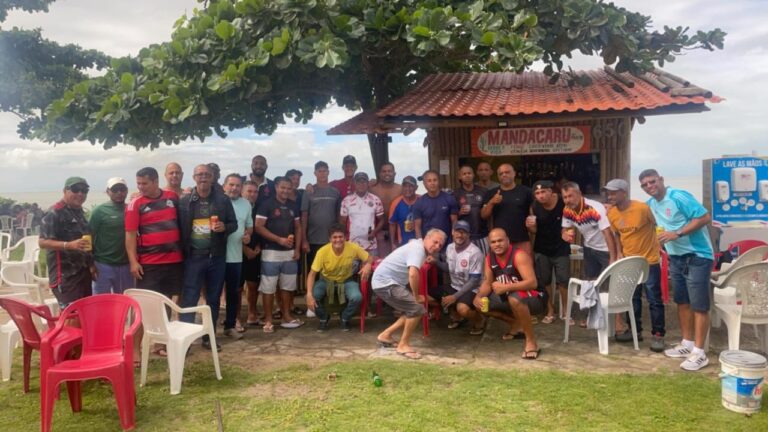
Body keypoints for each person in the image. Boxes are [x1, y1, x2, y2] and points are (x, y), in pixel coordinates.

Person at [639, 169, 714, 371]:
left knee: (699, 305)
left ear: (661, 180)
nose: (649, 186)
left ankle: (699, 353)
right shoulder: (650, 205)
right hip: (676, 257)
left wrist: (677, 233)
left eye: (652, 181)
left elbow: (704, 217)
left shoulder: (678, 196)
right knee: (682, 301)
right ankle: (687, 343)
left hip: (698, 255)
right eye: (644, 185)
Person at [178, 164, 237, 352]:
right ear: (194, 177)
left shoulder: (222, 200)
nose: (203, 177)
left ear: (212, 178)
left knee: (213, 299)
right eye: (200, 174)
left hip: (216, 257)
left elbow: (233, 224)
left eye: (207, 174)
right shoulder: (185, 201)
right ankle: (185, 340)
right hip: (193, 257)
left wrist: (224, 227)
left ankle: (208, 337)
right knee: (189, 299)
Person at [603, 178, 666, 352]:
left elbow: (657, 226)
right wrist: (619, 253)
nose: (610, 195)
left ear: (624, 192)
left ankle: (658, 335)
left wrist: (659, 246)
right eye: (609, 192)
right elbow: (617, 235)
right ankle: (635, 331)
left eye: (614, 192)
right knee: (632, 299)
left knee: (654, 299)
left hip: (650, 261)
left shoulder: (642, 208)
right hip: (629, 262)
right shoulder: (612, 213)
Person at [372, 228, 446, 360]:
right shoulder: (417, 249)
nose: (436, 247)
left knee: (412, 309)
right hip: (385, 284)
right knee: (417, 309)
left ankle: (385, 335)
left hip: (388, 283)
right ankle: (403, 345)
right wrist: (416, 296)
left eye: (440, 245)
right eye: (435, 242)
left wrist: (415, 296)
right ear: (426, 238)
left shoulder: (419, 248)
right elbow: (413, 274)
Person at [475, 228, 543, 360]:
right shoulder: (489, 258)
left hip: (535, 297)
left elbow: (532, 283)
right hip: (508, 295)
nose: (497, 244)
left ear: (507, 241)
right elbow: (488, 283)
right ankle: (515, 323)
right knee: (480, 305)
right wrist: (478, 296)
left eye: (500, 240)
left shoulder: (519, 255)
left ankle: (531, 342)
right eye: (493, 242)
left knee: (515, 299)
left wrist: (506, 287)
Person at [254, 176, 303, 332]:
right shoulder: (266, 204)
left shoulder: (293, 206)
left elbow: (298, 228)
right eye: (283, 187)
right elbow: (259, 227)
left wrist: (297, 249)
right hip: (270, 252)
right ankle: (268, 319)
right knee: (268, 288)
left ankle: (286, 316)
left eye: (288, 188)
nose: (286, 191)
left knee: (288, 287)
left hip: (289, 253)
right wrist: (278, 240)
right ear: (276, 187)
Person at [38, 177, 95, 308]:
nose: (80, 194)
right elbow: (42, 242)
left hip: (82, 273)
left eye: (84, 190)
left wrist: (91, 264)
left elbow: (84, 241)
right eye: (75, 190)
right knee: (72, 315)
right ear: (65, 191)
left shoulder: (79, 212)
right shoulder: (54, 212)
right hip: (65, 276)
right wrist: (68, 245)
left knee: (85, 312)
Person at [305, 223, 373, 331]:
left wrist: (368, 265)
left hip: (346, 280)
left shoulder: (353, 247)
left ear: (345, 237)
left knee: (357, 297)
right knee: (313, 295)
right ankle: (323, 318)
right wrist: (308, 294)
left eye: (340, 237)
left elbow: (369, 258)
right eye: (334, 237)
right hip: (326, 281)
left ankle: (345, 318)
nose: (338, 240)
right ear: (330, 239)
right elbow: (312, 274)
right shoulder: (322, 251)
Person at [526, 180, 571, 325]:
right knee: (545, 282)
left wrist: (570, 232)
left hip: (561, 248)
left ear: (551, 191)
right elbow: (535, 231)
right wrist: (530, 227)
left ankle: (565, 311)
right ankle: (550, 310)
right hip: (542, 249)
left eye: (543, 191)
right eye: (537, 193)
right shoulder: (534, 206)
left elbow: (572, 221)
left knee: (563, 281)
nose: (541, 195)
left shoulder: (563, 202)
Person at [431, 221, 485, 335]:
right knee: (427, 295)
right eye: (457, 231)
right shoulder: (450, 247)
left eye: (464, 232)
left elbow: (474, 280)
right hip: (454, 285)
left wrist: (454, 297)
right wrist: (435, 262)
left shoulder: (475, 252)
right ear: (452, 232)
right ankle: (458, 318)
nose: (460, 235)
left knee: (463, 309)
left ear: (468, 235)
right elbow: (450, 268)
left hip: (471, 289)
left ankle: (479, 319)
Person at [222, 173, 253, 339]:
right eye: (231, 185)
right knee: (213, 295)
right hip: (217, 257)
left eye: (237, 185)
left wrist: (247, 236)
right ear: (224, 185)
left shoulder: (246, 204)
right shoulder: (217, 201)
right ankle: (210, 330)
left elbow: (249, 227)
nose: (234, 188)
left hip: (235, 257)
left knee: (234, 293)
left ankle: (230, 326)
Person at [89, 177, 132, 295]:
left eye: (122, 189)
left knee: (126, 301)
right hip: (103, 265)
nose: (119, 193)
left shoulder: (131, 209)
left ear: (127, 190)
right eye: (115, 190)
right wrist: (90, 263)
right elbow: (88, 237)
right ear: (108, 192)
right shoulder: (99, 211)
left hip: (126, 265)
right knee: (101, 302)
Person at [481, 164, 533, 255]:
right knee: (500, 269)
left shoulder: (526, 191)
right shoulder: (491, 193)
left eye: (507, 172)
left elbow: (532, 214)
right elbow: (483, 215)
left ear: (514, 174)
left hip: (522, 240)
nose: (504, 175)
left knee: (525, 267)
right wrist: (492, 202)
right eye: (501, 174)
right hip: (499, 242)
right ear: (498, 177)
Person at [301, 161, 341, 271]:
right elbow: (304, 217)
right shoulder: (309, 192)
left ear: (328, 172)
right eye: (320, 171)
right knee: (314, 271)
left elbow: (339, 216)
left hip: (332, 240)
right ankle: (312, 289)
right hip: (313, 240)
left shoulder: (335, 192)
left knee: (331, 270)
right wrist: (304, 240)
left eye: (325, 171)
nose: (322, 173)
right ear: (315, 173)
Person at [339, 172, 385, 255]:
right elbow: (342, 222)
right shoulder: (347, 200)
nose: (361, 184)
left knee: (371, 267)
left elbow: (382, 220)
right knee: (352, 268)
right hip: (351, 245)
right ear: (354, 183)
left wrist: (375, 232)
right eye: (358, 182)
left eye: (364, 182)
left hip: (370, 245)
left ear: (368, 183)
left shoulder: (375, 200)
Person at [240, 180, 263, 326]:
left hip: (255, 251)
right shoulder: (234, 207)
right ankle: (235, 318)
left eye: (255, 192)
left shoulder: (259, 209)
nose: (252, 194)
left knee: (253, 285)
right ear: (242, 192)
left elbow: (262, 229)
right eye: (249, 191)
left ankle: (252, 314)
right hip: (236, 251)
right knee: (236, 287)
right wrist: (244, 249)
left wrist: (258, 246)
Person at [413, 170, 458, 243]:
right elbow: (417, 228)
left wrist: (453, 242)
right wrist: (420, 245)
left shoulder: (449, 199)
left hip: (447, 243)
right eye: (429, 181)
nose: (432, 183)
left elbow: (454, 222)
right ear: (424, 184)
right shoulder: (419, 203)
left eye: (435, 180)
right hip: (428, 245)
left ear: (439, 182)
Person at [453, 165, 489, 254]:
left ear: (473, 175)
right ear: (460, 177)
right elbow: (452, 216)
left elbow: (489, 214)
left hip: (482, 235)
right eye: (464, 174)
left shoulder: (483, 191)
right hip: (464, 236)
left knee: (484, 261)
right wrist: (460, 213)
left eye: (469, 173)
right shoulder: (455, 194)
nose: (467, 175)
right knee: (466, 262)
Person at [369, 162, 402, 257]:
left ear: (394, 173)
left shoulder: (400, 189)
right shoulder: (372, 189)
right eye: (384, 171)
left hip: (396, 231)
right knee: (380, 261)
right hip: (378, 231)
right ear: (379, 174)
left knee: (396, 260)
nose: (387, 173)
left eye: (389, 171)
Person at [388, 175, 420, 249]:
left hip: (420, 242)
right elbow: (392, 224)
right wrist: (392, 244)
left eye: (411, 186)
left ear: (416, 187)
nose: (407, 189)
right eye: (405, 186)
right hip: (403, 243)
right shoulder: (396, 203)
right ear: (402, 187)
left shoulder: (422, 200)